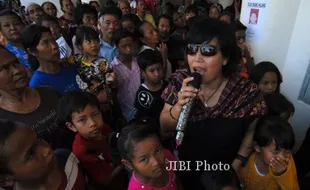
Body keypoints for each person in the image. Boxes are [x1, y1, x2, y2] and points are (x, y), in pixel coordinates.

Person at [160, 18, 267, 190]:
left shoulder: (244, 91)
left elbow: (252, 128)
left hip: (225, 175)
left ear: (225, 58)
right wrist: (179, 106)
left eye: (208, 51)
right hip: (188, 170)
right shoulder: (181, 81)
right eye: (192, 50)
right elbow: (164, 126)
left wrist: (239, 161)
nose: (197, 59)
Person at [0, 45, 72, 149]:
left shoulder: (49, 92)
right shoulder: (2, 120)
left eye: (16, 63)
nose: (17, 70)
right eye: (4, 68)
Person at [58, 91, 127, 189]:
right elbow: (106, 180)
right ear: (71, 126)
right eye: (82, 120)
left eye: (95, 114)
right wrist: (128, 160)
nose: (92, 123)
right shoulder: (82, 151)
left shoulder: (104, 129)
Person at [0, 120, 87, 190]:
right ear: (5, 180)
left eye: (39, 138)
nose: (47, 150)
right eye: (30, 154)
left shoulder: (65, 157)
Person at [117, 118, 182, 190]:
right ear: (128, 164)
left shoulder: (167, 156)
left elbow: (176, 180)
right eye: (144, 159)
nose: (156, 162)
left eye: (158, 151)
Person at [237, 116, 299, 190]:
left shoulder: (286, 164)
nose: (282, 157)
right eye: (276, 151)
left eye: (287, 151)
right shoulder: (247, 160)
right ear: (257, 147)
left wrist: (282, 174)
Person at [21, 24, 80, 94]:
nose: (54, 46)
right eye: (46, 43)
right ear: (32, 51)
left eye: (53, 40)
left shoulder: (69, 66)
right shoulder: (38, 85)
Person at [111, 29, 140, 122]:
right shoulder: (113, 67)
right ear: (117, 47)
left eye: (130, 45)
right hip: (125, 112)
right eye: (124, 46)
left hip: (141, 108)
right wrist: (119, 114)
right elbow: (113, 93)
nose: (128, 49)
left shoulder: (138, 63)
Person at [134, 49, 167, 123]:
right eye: (152, 71)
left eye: (159, 69)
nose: (157, 74)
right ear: (143, 73)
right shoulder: (142, 96)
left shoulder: (169, 86)